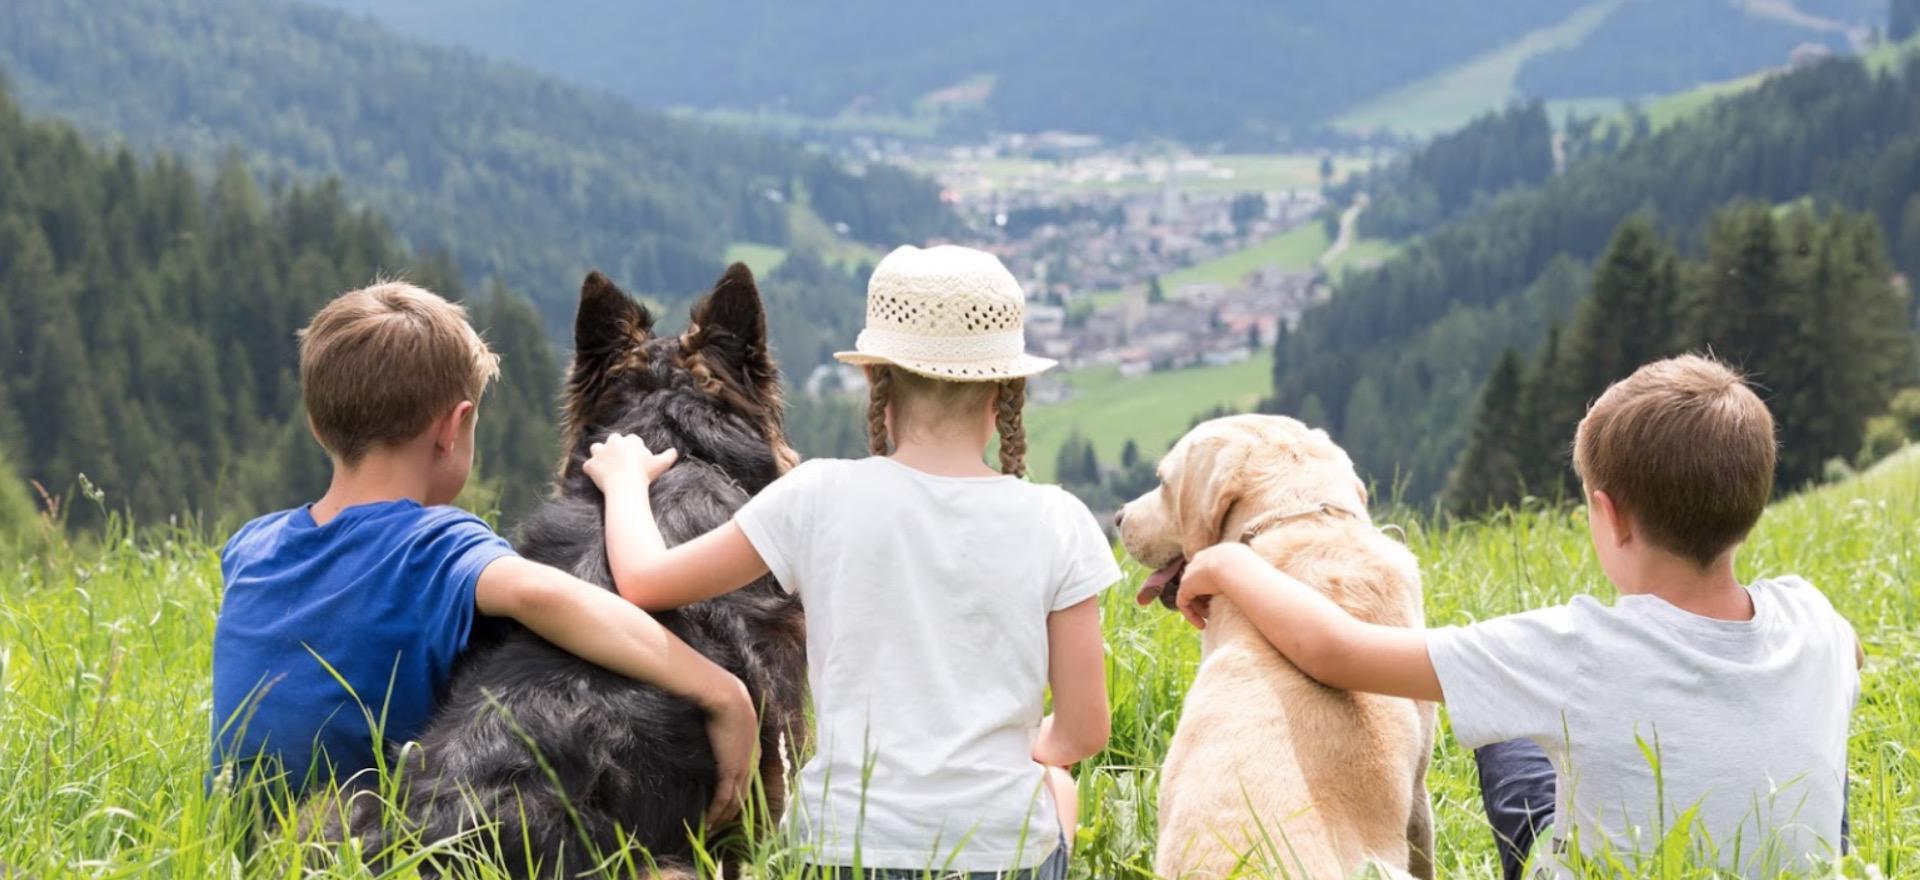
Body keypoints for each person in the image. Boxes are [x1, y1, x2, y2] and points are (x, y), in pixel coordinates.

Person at [1175, 355, 1862, 878]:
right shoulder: (1814, 620)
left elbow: (1333, 650)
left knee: (1509, 739)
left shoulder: (1573, 652)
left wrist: (1226, 564)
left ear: (1609, 517)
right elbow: (1852, 651)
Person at [581, 245, 1116, 879]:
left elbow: (643, 581)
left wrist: (624, 484)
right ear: (1007, 388)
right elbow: (1084, 730)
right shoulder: (1060, 520)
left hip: (843, 853)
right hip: (999, 857)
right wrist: (1016, 751)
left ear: (873, 377)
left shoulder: (817, 494)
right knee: (1058, 786)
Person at [210, 281, 758, 826]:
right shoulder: (437, 546)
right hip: (375, 839)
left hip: (243, 838)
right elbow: (546, 595)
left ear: (315, 424)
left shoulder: (251, 545)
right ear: (453, 429)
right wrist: (719, 689)